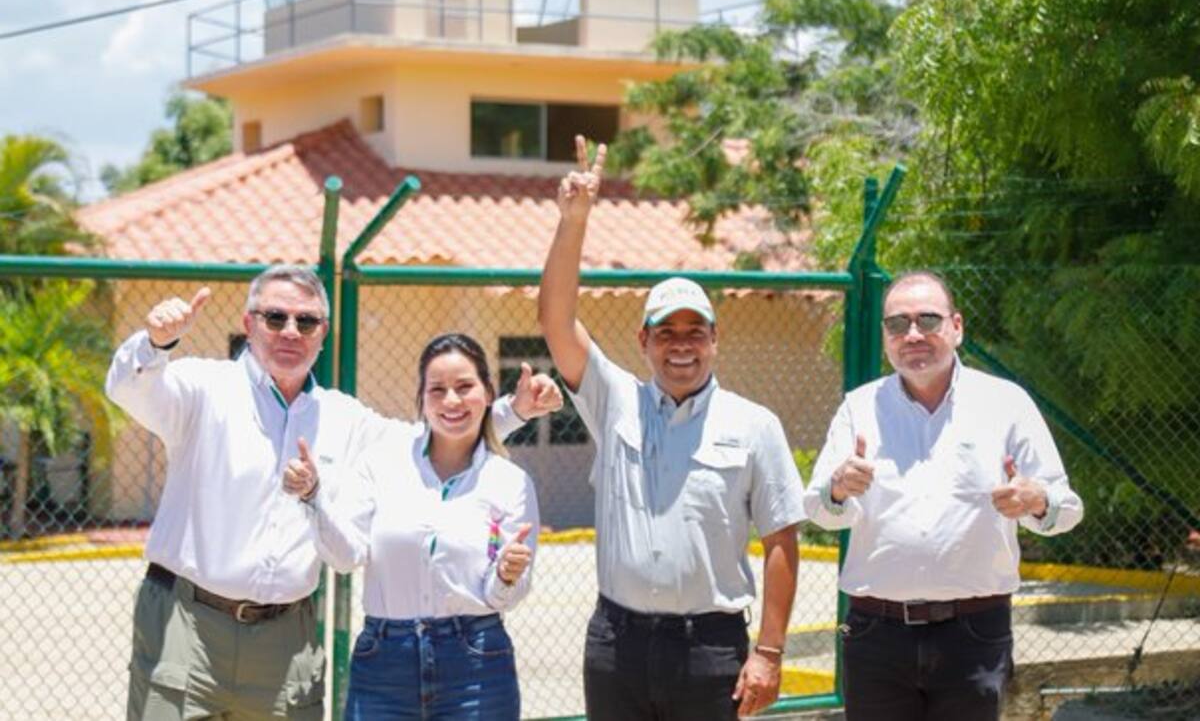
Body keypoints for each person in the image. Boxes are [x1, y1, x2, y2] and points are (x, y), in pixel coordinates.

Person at [106, 266, 561, 721]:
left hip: (286, 639)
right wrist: (155, 342)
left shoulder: (345, 419)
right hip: (187, 624)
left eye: (306, 322)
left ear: (323, 333)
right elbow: (128, 389)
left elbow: (438, 432)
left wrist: (514, 409)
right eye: (275, 317)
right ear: (249, 324)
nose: (290, 331)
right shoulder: (203, 388)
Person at [537, 136, 806, 720]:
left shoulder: (754, 425)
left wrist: (769, 652)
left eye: (694, 332)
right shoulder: (615, 403)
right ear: (643, 342)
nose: (681, 346)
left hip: (710, 649)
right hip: (617, 646)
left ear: (715, 340)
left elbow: (782, 539)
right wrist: (574, 221)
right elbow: (556, 321)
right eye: (666, 332)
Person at [803, 270, 1084, 721]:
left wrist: (1036, 499)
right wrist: (836, 489)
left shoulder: (1005, 403)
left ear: (957, 327)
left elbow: (1067, 508)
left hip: (974, 633)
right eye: (897, 324)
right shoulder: (859, 407)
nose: (912, 334)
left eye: (927, 320)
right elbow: (818, 510)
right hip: (877, 634)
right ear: (884, 336)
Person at [284, 332, 549, 720]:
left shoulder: (509, 482)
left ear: (489, 394)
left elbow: (500, 598)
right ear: (421, 400)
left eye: (464, 387)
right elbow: (345, 557)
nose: (451, 401)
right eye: (437, 389)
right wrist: (314, 496)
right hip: (384, 665)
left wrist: (508, 576)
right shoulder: (381, 465)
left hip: (477, 666)